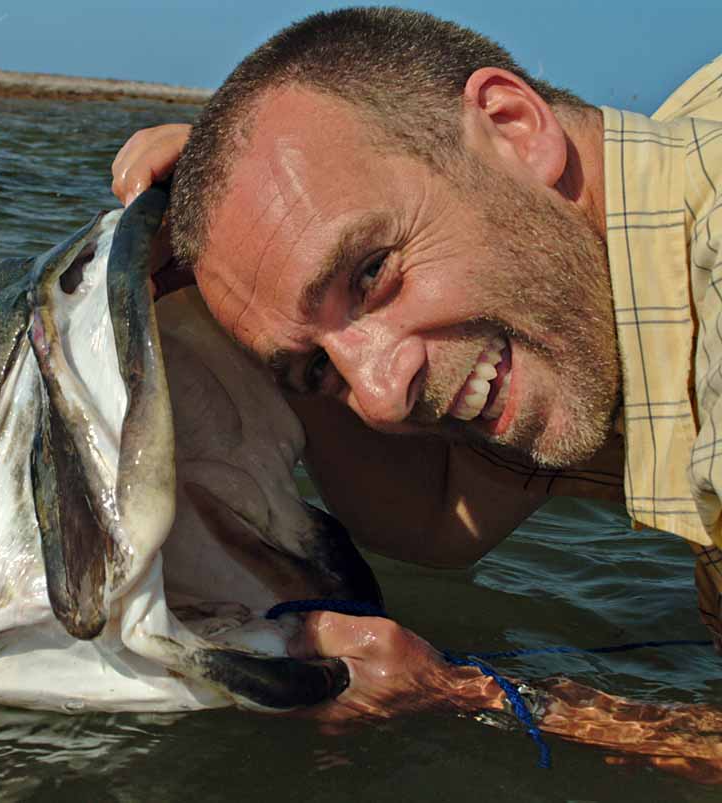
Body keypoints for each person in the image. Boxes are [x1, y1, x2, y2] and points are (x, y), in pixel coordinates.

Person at [111, 7, 722, 778]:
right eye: (320, 371)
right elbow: (439, 520)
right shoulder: (618, 212)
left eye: (371, 272)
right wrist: (243, 262)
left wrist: (465, 694)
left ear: (514, 123)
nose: (378, 396)